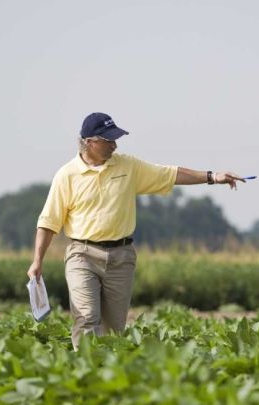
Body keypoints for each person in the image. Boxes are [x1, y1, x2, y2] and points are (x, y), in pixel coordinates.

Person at [27, 112, 245, 349]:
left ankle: (108, 374)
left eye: (115, 139)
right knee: (86, 316)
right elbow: (49, 221)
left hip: (122, 256)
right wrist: (37, 261)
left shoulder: (128, 166)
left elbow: (170, 174)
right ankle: (85, 371)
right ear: (89, 142)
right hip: (82, 255)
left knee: (114, 329)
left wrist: (212, 176)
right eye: (108, 140)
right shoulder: (66, 175)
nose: (114, 145)